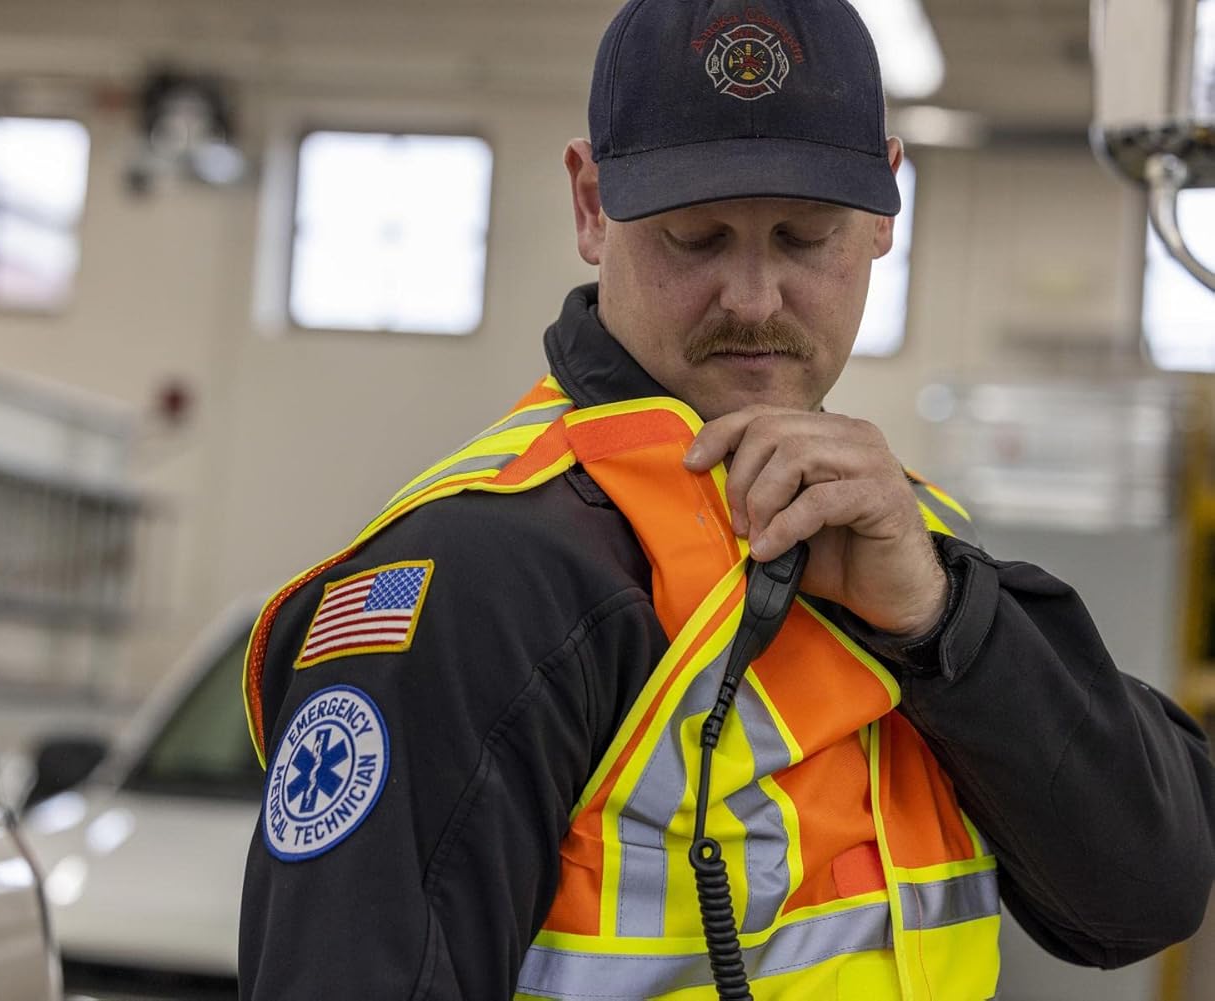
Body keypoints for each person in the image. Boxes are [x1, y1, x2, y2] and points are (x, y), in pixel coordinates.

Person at [238, 0, 1215, 997]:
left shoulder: (904, 543)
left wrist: (937, 617)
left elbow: (1145, 893)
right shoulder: (490, 574)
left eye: (804, 236)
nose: (753, 296)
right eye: (696, 237)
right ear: (589, 205)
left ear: (886, 211)